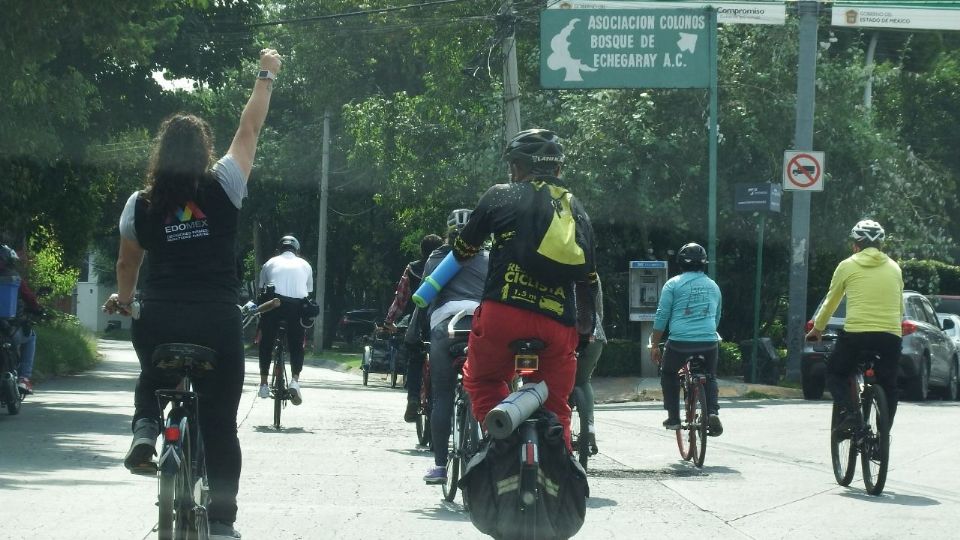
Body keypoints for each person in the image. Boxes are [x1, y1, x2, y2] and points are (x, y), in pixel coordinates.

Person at [104, 48, 282, 540]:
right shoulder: (225, 183)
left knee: (150, 373)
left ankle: (145, 430)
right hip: (216, 321)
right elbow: (248, 131)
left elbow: (126, 263)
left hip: (158, 317)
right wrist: (265, 76)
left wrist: (124, 300)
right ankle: (221, 522)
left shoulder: (139, 204)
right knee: (221, 424)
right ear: (204, 152)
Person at [453, 128, 598, 448]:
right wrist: (584, 333)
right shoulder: (576, 208)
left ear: (517, 168)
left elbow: (463, 251)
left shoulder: (499, 195)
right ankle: (557, 472)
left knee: (483, 379)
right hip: (558, 324)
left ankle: (501, 443)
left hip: (502, 315)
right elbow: (589, 279)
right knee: (557, 405)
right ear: (558, 170)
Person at [805, 219, 903, 432]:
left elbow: (832, 301)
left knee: (835, 373)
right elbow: (899, 306)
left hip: (858, 334)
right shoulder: (895, 267)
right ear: (881, 246)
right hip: (890, 335)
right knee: (890, 385)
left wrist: (818, 328)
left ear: (855, 245)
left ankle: (850, 414)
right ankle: (883, 432)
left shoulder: (847, 265)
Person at [423, 209, 488, 484]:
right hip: (483, 326)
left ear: (448, 233)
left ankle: (439, 467)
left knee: (442, 395)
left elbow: (426, 298)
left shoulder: (437, 259)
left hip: (445, 329)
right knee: (494, 386)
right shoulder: (490, 258)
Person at [649, 243, 723, 436]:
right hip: (709, 341)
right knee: (711, 376)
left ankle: (674, 417)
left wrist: (655, 344)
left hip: (679, 342)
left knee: (669, 373)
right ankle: (713, 412)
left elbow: (662, 316)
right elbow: (716, 317)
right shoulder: (713, 286)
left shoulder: (673, 284)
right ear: (704, 263)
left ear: (680, 263)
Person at [383, 233, 443, 422]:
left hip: (419, 322)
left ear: (421, 250)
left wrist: (389, 321)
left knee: (416, 358)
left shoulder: (412, 269)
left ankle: (413, 398)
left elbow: (400, 299)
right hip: (444, 321)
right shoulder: (450, 266)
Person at [257, 234, 314, 405]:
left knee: (266, 343)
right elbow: (308, 291)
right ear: (296, 250)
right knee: (297, 345)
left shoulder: (269, 263)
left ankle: (264, 384)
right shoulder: (306, 265)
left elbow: (261, 289)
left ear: (279, 249)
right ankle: (295, 381)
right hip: (296, 309)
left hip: (274, 306)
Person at [0, 244, 42, 394]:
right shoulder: (15, 278)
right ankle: (24, 378)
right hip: (10, 329)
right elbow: (30, 298)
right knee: (31, 337)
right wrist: (37, 308)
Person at [574, 276, 606, 455]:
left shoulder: (551, 266)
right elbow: (599, 310)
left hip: (564, 332)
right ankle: (590, 427)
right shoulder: (590, 271)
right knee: (583, 381)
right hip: (593, 333)